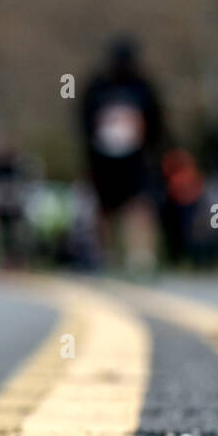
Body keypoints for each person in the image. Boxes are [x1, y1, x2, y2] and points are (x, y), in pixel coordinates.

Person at [80, 36, 164, 271]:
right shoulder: (98, 87)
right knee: (103, 208)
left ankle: (141, 258)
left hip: (135, 159)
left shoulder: (142, 88)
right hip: (102, 159)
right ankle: (103, 256)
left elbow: (156, 122)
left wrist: (152, 151)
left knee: (139, 206)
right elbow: (85, 121)